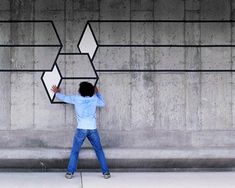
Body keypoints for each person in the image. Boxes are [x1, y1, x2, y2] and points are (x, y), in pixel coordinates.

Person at [51, 82, 111, 179]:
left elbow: (64, 98)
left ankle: (70, 173)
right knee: (99, 150)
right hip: (92, 128)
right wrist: (98, 92)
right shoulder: (94, 99)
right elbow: (103, 103)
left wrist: (57, 93)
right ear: (91, 90)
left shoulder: (76, 98)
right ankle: (106, 173)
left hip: (81, 129)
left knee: (75, 151)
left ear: (80, 90)